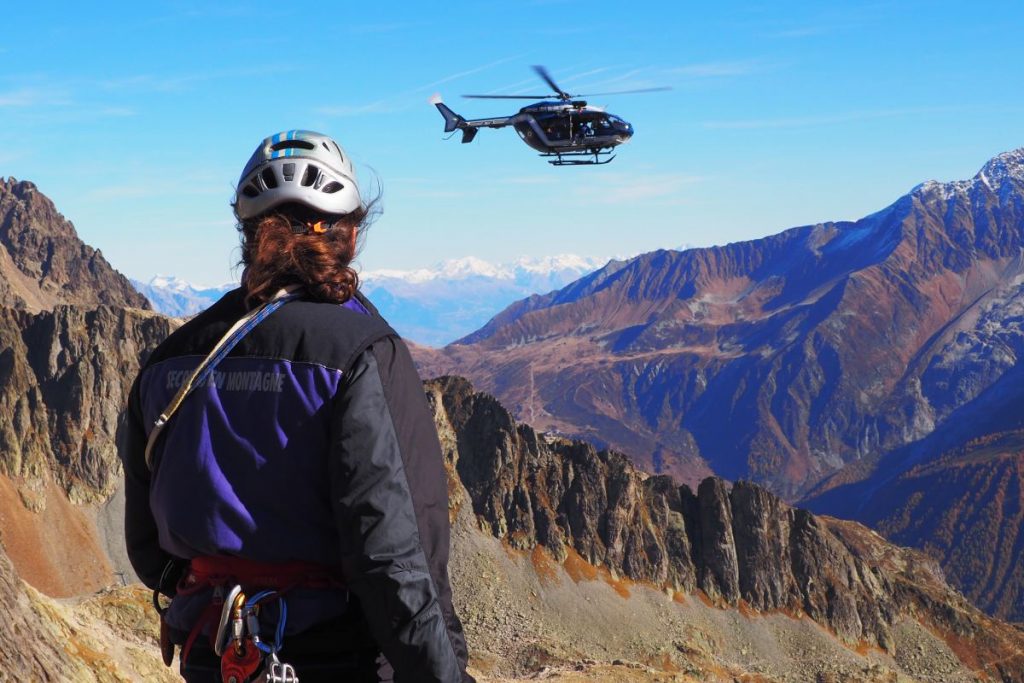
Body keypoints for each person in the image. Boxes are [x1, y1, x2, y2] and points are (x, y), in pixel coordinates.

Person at [118, 130, 474, 682]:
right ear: (351, 234)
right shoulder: (362, 354)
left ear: (247, 233)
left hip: (213, 657)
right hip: (332, 658)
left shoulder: (167, 362)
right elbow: (396, 559)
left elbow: (150, 552)